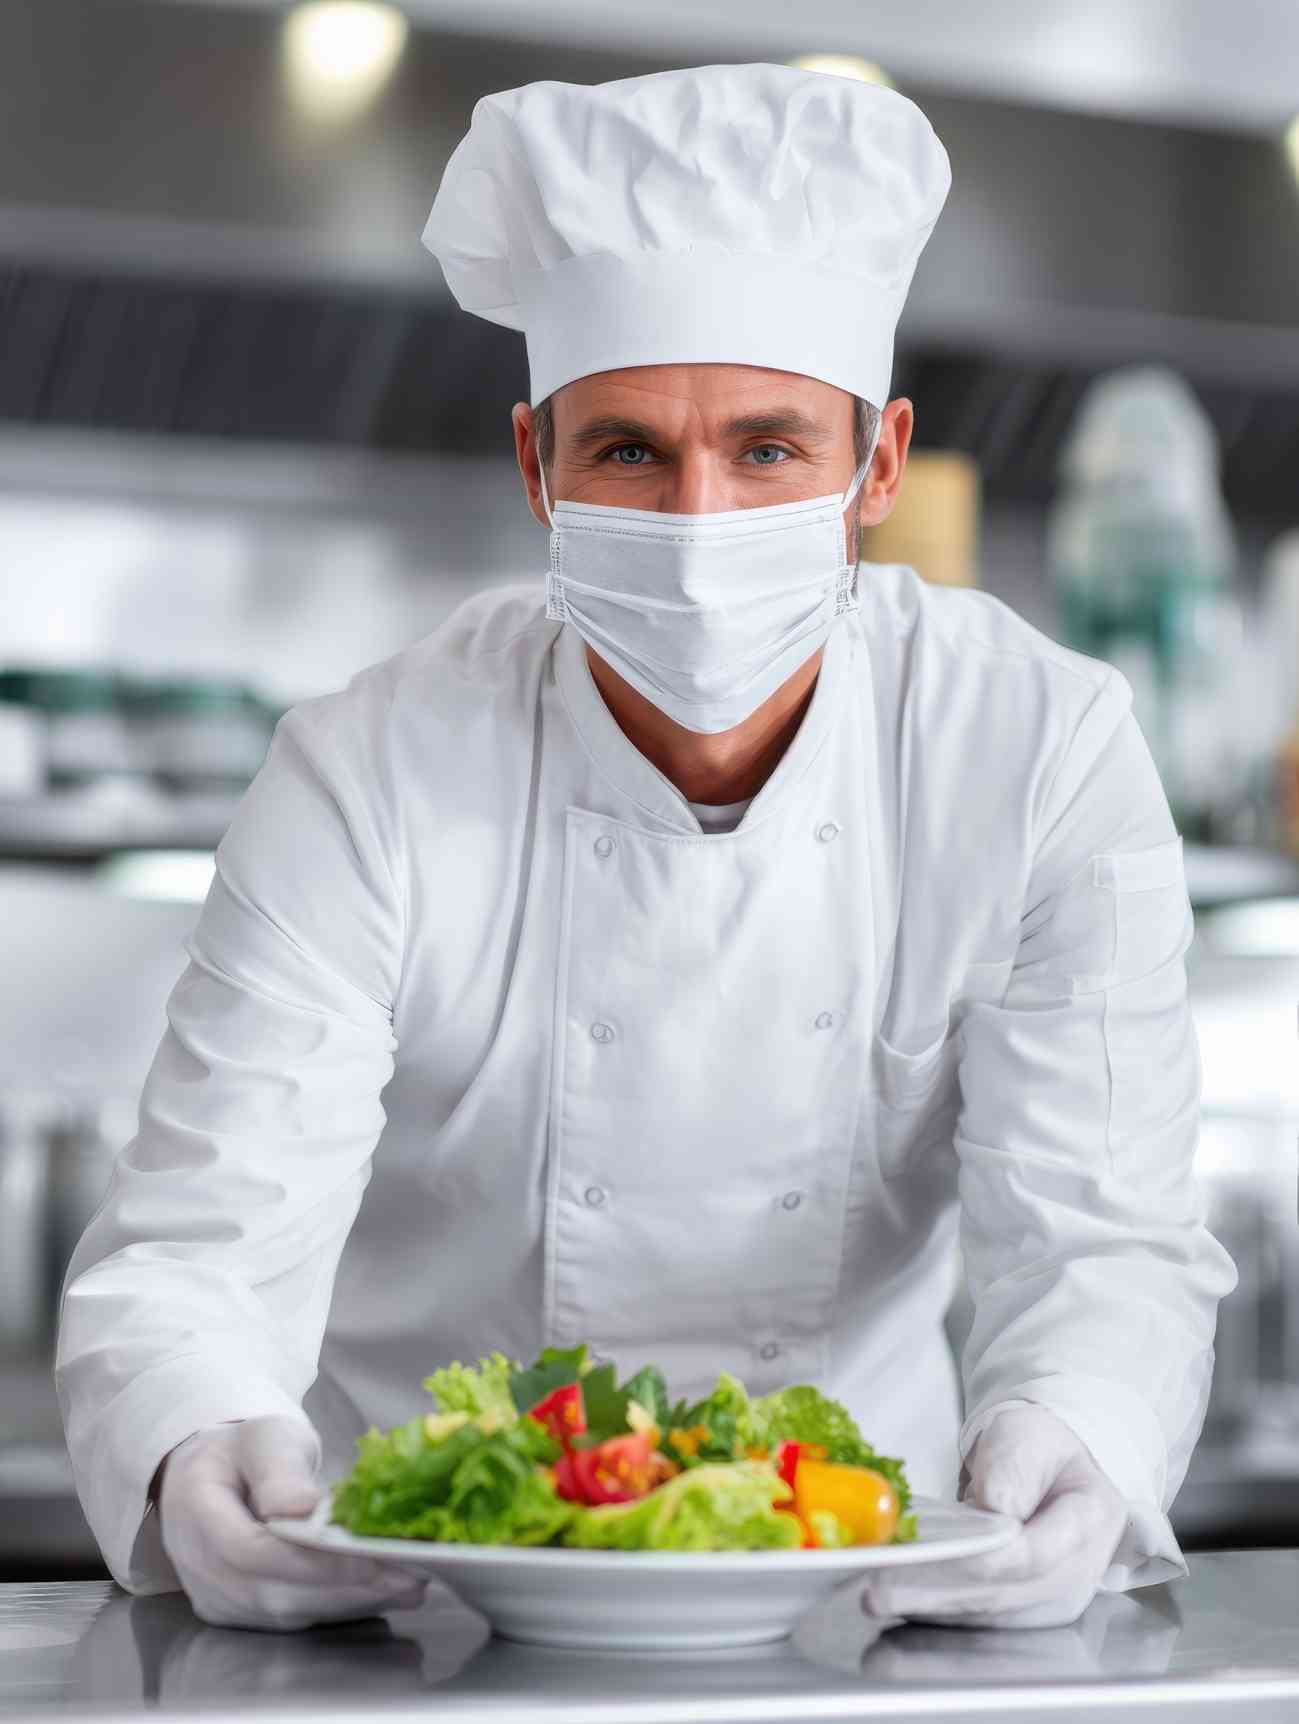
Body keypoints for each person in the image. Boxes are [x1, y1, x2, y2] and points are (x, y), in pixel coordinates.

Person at [57, 62, 1235, 1634]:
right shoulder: (368, 768)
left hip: (866, 1597)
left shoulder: (1035, 752)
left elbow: (1105, 1239)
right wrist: (199, 1447)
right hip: (414, 1603)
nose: (695, 528)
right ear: (534, 465)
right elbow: (203, 1239)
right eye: (627, 453)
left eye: (767, 451)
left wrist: (1076, 1433)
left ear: (880, 466)